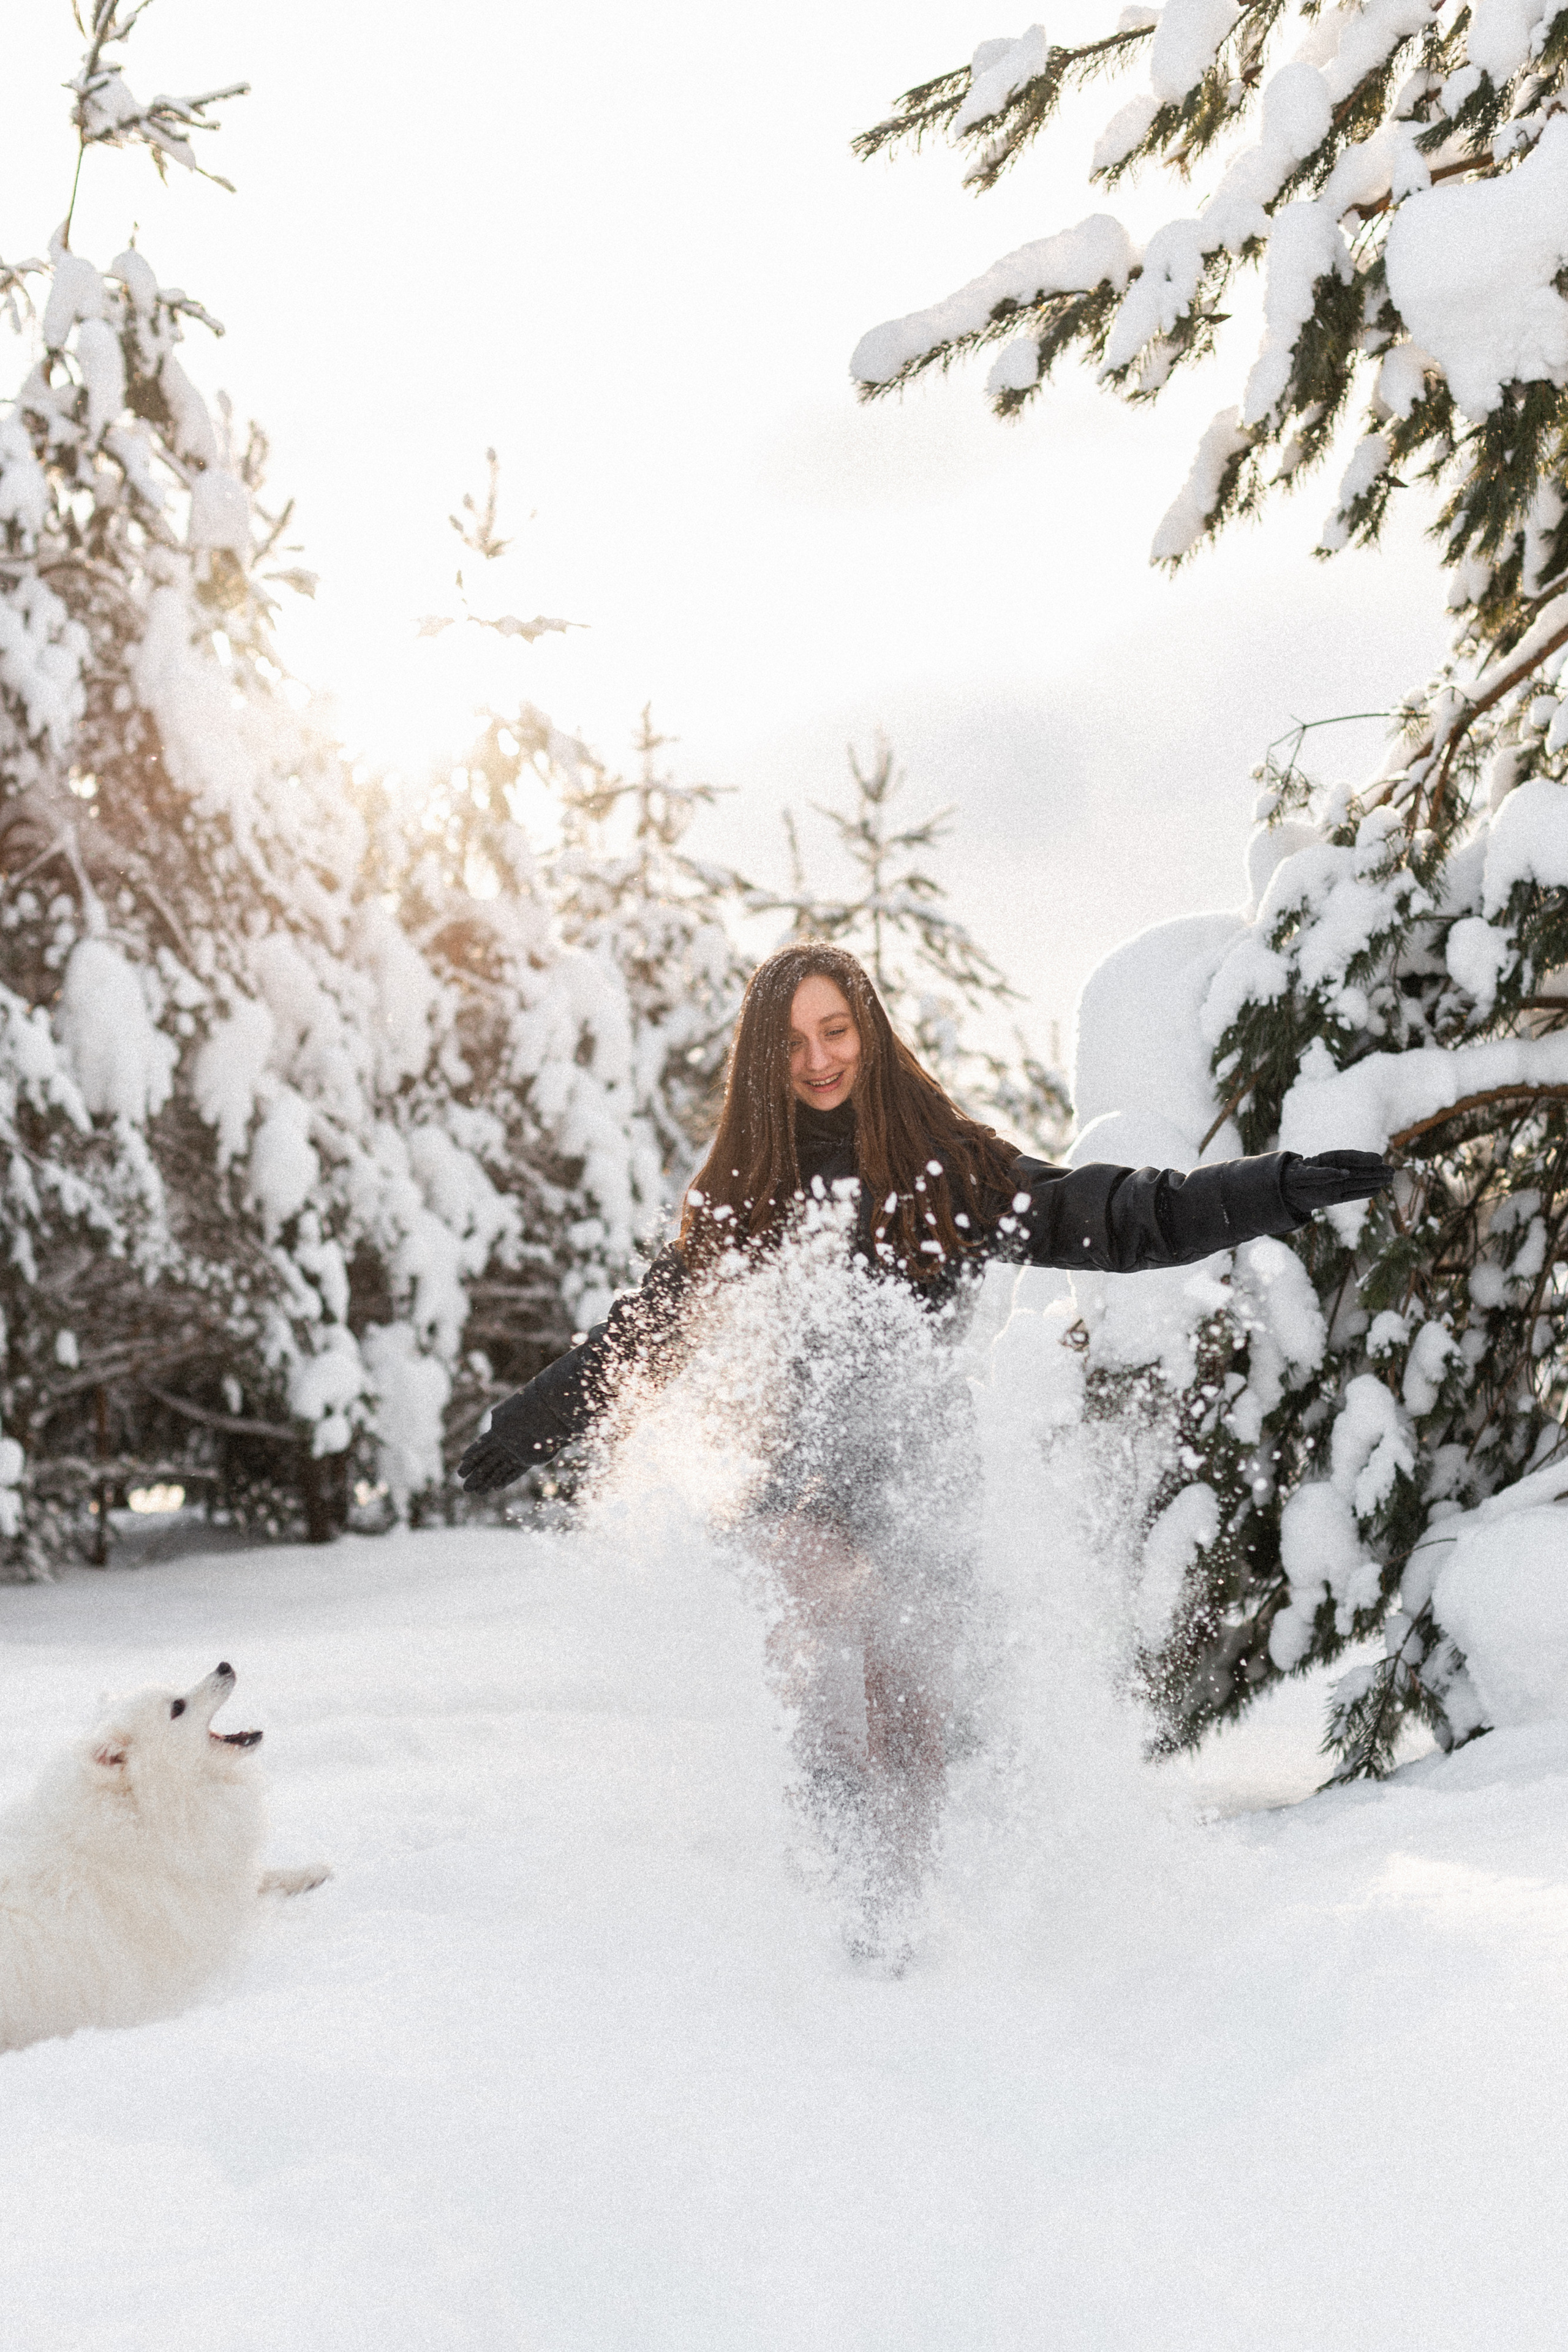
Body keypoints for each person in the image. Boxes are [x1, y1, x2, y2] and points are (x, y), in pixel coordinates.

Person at [458, 941, 1391, 1931]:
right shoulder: (742, 1197)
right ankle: (831, 1895)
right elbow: (643, 1337)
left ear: (869, 1033)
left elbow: (1123, 1217)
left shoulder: (953, 1170)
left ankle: (904, 1927)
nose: (818, 1059)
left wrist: (1274, 1189)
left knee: (910, 1713)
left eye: (835, 1030)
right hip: (795, 1485)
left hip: (921, 1483)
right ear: (761, 1063)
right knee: (815, 1633)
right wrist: (528, 1426)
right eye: (793, 1043)